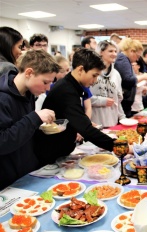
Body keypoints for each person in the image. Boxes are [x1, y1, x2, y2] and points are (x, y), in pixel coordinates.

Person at [34, 49, 117, 166]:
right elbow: (85, 129)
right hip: (51, 153)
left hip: (63, 149)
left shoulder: (74, 86)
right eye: (94, 75)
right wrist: (117, 146)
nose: (95, 81)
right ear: (80, 69)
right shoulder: (66, 90)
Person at [0, 50, 59, 189]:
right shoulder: (3, 99)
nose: (47, 88)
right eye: (45, 82)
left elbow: (21, 129)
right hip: (7, 178)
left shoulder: (28, 93)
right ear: (29, 73)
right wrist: (34, 118)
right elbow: (2, 141)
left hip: (26, 170)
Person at [90, 40, 126, 128]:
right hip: (95, 122)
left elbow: (117, 100)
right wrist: (102, 101)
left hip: (112, 122)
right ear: (101, 52)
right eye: (110, 51)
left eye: (115, 51)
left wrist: (122, 117)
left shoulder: (116, 74)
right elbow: (83, 98)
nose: (114, 54)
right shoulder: (91, 72)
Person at [114, 38, 147, 117]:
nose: (137, 59)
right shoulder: (122, 59)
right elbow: (128, 80)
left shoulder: (125, 59)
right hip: (124, 102)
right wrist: (143, 76)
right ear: (132, 51)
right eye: (137, 56)